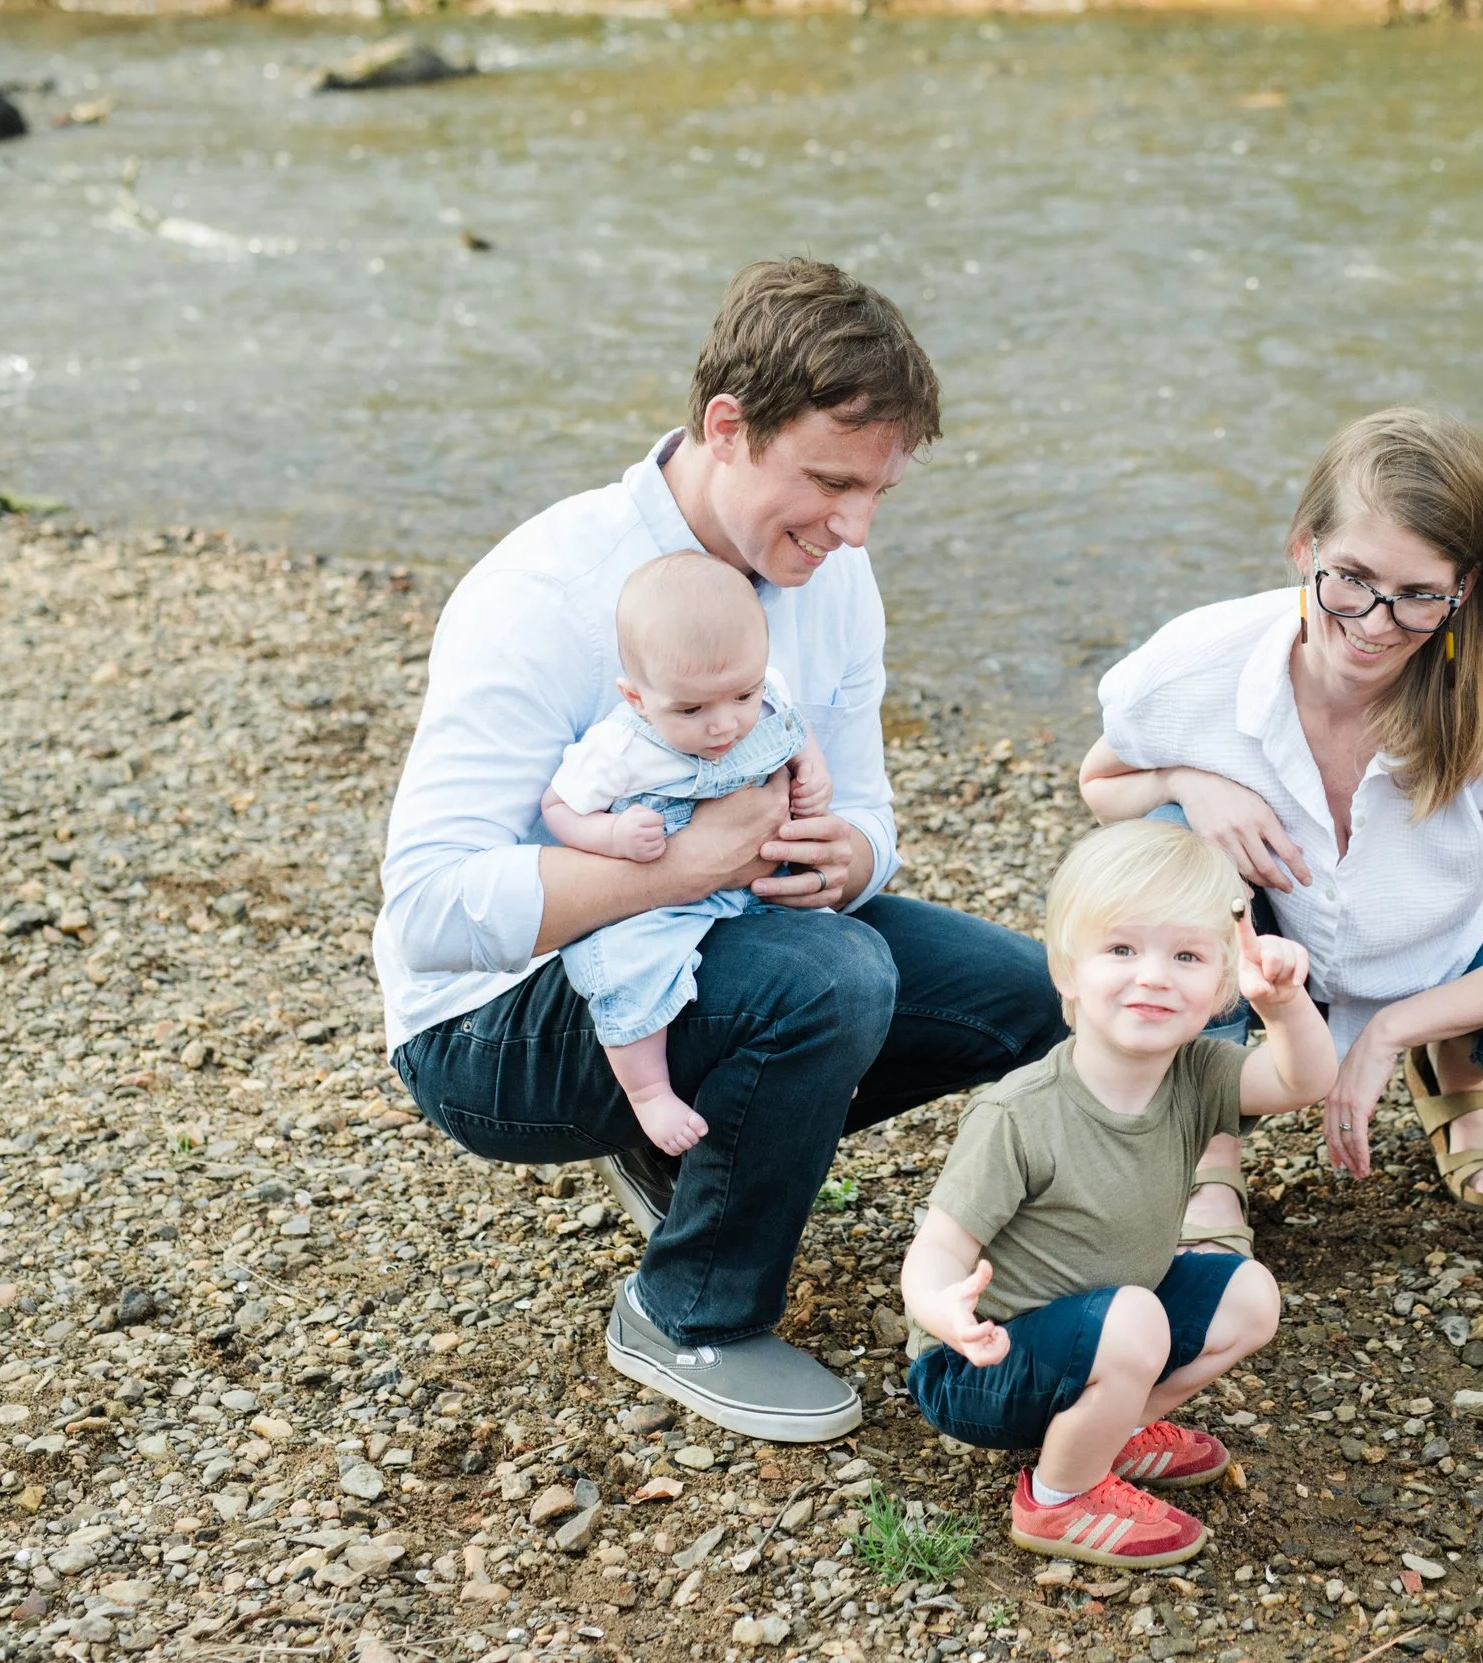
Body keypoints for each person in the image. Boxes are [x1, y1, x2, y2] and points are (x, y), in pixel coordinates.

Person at [375, 259, 1067, 1444]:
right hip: (492, 1024)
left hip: (735, 937)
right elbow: (430, 913)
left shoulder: (831, 573)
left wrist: (851, 858)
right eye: (830, 482)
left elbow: (872, 811)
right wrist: (687, 863)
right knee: (833, 976)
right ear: (728, 427)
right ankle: (689, 1310)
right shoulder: (547, 591)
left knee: (1043, 997)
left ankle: (707, 1146)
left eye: (879, 492)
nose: (854, 527)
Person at [1078, 407, 1483, 1242]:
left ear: (1463, 589)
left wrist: (1395, 1029)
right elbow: (1099, 783)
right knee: (1174, 833)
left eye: (1418, 597)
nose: (1373, 624)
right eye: (1352, 579)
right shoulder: (1196, 662)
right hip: (1269, 935)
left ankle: (1453, 1061)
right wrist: (1186, 779)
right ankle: (1206, 1145)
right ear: (1305, 548)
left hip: (1446, 937)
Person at [898, 819, 1335, 1569]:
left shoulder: (1196, 1074)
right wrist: (946, 1311)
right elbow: (937, 1246)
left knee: (1249, 1295)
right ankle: (1059, 1494)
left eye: (1187, 956)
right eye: (1123, 949)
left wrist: (1284, 1006)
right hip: (982, 1365)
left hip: (1111, 1326)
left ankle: (1113, 1428)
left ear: (1220, 985)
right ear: (1067, 970)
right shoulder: (1019, 1113)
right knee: (1134, 1317)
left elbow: (1303, 1081)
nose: (1155, 976)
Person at [540, 552, 831, 1157]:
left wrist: (812, 771)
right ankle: (649, 1093)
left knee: (830, 945)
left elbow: (794, 731)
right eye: (692, 709)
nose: (725, 725)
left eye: (743, 695)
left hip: (757, 883)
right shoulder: (621, 749)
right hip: (660, 899)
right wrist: (614, 837)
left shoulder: (766, 695)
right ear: (637, 697)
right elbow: (559, 807)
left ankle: (827, 1063)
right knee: (629, 967)